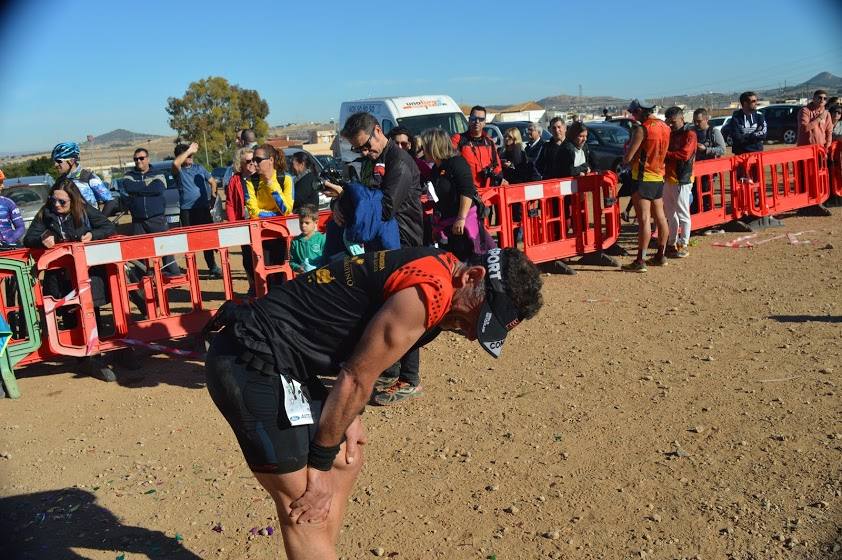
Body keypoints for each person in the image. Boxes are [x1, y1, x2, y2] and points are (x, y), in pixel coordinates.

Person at [203, 246, 543, 560]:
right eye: (477, 318)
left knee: (345, 461)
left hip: (289, 361)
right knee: (305, 503)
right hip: (250, 357)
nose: (471, 334)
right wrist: (318, 469)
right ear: (472, 277)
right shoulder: (428, 293)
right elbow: (355, 378)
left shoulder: (440, 271)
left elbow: (358, 347)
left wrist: (347, 416)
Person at [334, 112, 425, 405]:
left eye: (365, 146)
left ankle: (409, 378)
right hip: (381, 244)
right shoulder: (372, 162)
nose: (363, 152)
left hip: (405, 243)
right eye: (358, 150)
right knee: (383, 308)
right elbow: (365, 201)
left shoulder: (399, 162)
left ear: (376, 131)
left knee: (406, 311)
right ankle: (392, 368)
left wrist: (348, 200)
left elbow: (385, 207)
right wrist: (342, 203)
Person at [23, 179, 117, 379]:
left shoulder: (84, 210)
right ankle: (80, 358)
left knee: (92, 313)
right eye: (53, 200)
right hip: (60, 277)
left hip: (88, 275)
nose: (56, 205)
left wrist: (93, 235)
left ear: (73, 201)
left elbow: (108, 227)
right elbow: (28, 238)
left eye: (62, 202)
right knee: (67, 314)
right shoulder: (45, 213)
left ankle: (95, 354)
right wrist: (41, 240)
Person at [419, 127, 494, 261]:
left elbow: (467, 191)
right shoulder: (436, 169)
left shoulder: (457, 162)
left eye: (425, 146)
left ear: (433, 146)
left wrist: (461, 218)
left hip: (462, 224)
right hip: (447, 225)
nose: (423, 150)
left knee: (471, 260)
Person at [620, 99, 670, 273]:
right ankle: (660, 255)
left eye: (634, 113)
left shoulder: (643, 129)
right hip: (658, 177)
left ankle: (640, 261)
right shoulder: (665, 127)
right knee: (660, 217)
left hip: (642, 178)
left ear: (641, 111)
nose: (633, 116)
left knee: (643, 220)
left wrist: (626, 159)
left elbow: (629, 157)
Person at [121, 148, 179, 275]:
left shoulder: (158, 173)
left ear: (148, 159)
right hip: (138, 221)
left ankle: (173, 273)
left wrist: (138, 189)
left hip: (156, 218)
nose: (138, 161)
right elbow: (129, 187)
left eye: (141, 158)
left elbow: (158, 188)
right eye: (136, 159)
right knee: (139, 251)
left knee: (164, 248)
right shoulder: (129, 175)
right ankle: (142, 277)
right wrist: (147, 186)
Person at [245, 144, 294, 287]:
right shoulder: (250, 181)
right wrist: (276, 215)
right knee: (264, 277)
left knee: (283, 276)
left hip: (282, 235)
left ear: (271, 160)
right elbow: (253, 213)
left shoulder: (285, 179)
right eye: (253, 159)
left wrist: (270, 183)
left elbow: (286, 209)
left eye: (258, 159)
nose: (254, 163)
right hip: (261, 235)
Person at [172, 142, 222, 278]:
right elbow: (176, 163)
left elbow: (213, 182)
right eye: (188, 156)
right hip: (187, 211)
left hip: (202, 209)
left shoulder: (199, 168)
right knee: (190, 242)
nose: (190, 158)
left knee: (207, 240)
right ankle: (192, 270)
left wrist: (213, 198)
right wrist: (188, 150)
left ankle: (213, 267)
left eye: (191, 155)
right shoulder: (178, 171)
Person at [663, 107, 697, 259]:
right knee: (670, 214)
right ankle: (671, 243)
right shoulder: (670, 134)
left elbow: (684, 154)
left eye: (673, 122)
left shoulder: (690, 134)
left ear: (681, 119)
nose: (670, 124)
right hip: (669, 177)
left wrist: (664, 154)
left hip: (682, 178)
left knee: (683, 213)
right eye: (668, 122)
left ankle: (683, 244)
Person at [50, 141, 118, 217]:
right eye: (54, 161)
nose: (55, 164)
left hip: (88, 226)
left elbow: (110, 201)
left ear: (71, 161)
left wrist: (101, 223)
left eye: (59, 161)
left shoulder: (89, 178)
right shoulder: (60, 181)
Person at [451, 106, 507, 190]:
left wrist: (497, 179)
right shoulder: (458, 139)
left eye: (481, 119)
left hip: (488, 191)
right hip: (467, 192)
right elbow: (451, 164)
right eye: (474, 118)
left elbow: (497, 166)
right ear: (469, 120)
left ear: (484, 122)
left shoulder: (489, 142)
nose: (477, 122)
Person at [225, 147, 257, 294]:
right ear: (241, 163)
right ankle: (252, 285)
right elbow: (230, 203)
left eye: (254, 160)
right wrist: (233, 226)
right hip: (243, 223)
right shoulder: (235, 180)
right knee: (247, 256)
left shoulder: (261, 177)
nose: (252, 164)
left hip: (262, 222)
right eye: (248, 161)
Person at [690, 108, 726, 214]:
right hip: (694, 170)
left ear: (706, 119)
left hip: (709, 171)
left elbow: (722, 150)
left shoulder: (714, 132)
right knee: (694, 194)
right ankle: (696, 216)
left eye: (699, 121)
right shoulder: (692, 132)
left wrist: (706, 150)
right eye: (694, 121)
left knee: (706, 194)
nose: (696, 123)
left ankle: (708, 214)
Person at [724, 91, 767, 156]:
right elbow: (736, 137)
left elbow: (763, 134)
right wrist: (755, 137)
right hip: (740, 155)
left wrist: (745, 137)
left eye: (756, 100)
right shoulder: (736, 118)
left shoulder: (759, 115)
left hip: (757, 154)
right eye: (753, 101)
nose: (756, 103)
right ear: (745, 103)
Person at [289, 204, 325, 273]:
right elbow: (292, 262)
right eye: (301, 222)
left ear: (316, 223)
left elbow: (327, 258)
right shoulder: (295, 241)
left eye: (307, 223)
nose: (303, 225)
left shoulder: (322, 239)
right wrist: (298, 268)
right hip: (304, 277)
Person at [0, 168, 25, 248]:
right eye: (0, 183)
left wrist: (9, 240)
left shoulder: (8, 203)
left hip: (9, 247)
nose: (3, 186)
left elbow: (21, 227)